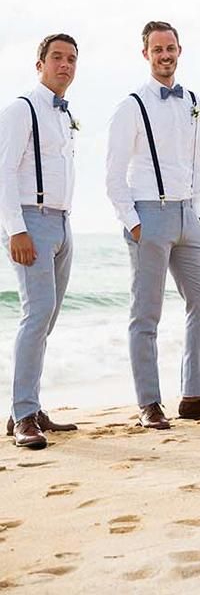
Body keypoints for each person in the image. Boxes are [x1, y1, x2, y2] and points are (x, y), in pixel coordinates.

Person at [106, 20, 200, 430]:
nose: (165, 55)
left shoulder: (192, 101)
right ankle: (149, 403)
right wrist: (133, 223)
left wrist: (195, 210)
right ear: (145, 54)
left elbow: (196, 161)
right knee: (147, 313)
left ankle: (195, 395)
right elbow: (113, 175)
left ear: (179, 51)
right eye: (157, 49)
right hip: (149, 214)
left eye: (171, 48)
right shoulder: (131, 105)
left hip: (187, 216)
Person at [0, 34, 80, 449]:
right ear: (40, 64)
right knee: (36, 315)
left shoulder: (64, 115)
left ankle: (28, 407)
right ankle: (23, 413)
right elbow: (4, 172)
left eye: (71, 59)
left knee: (46, 319)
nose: (64, 65)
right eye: (56, 58)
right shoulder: (21, 109)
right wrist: (16, 229)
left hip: (62, 223)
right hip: (31, 221)